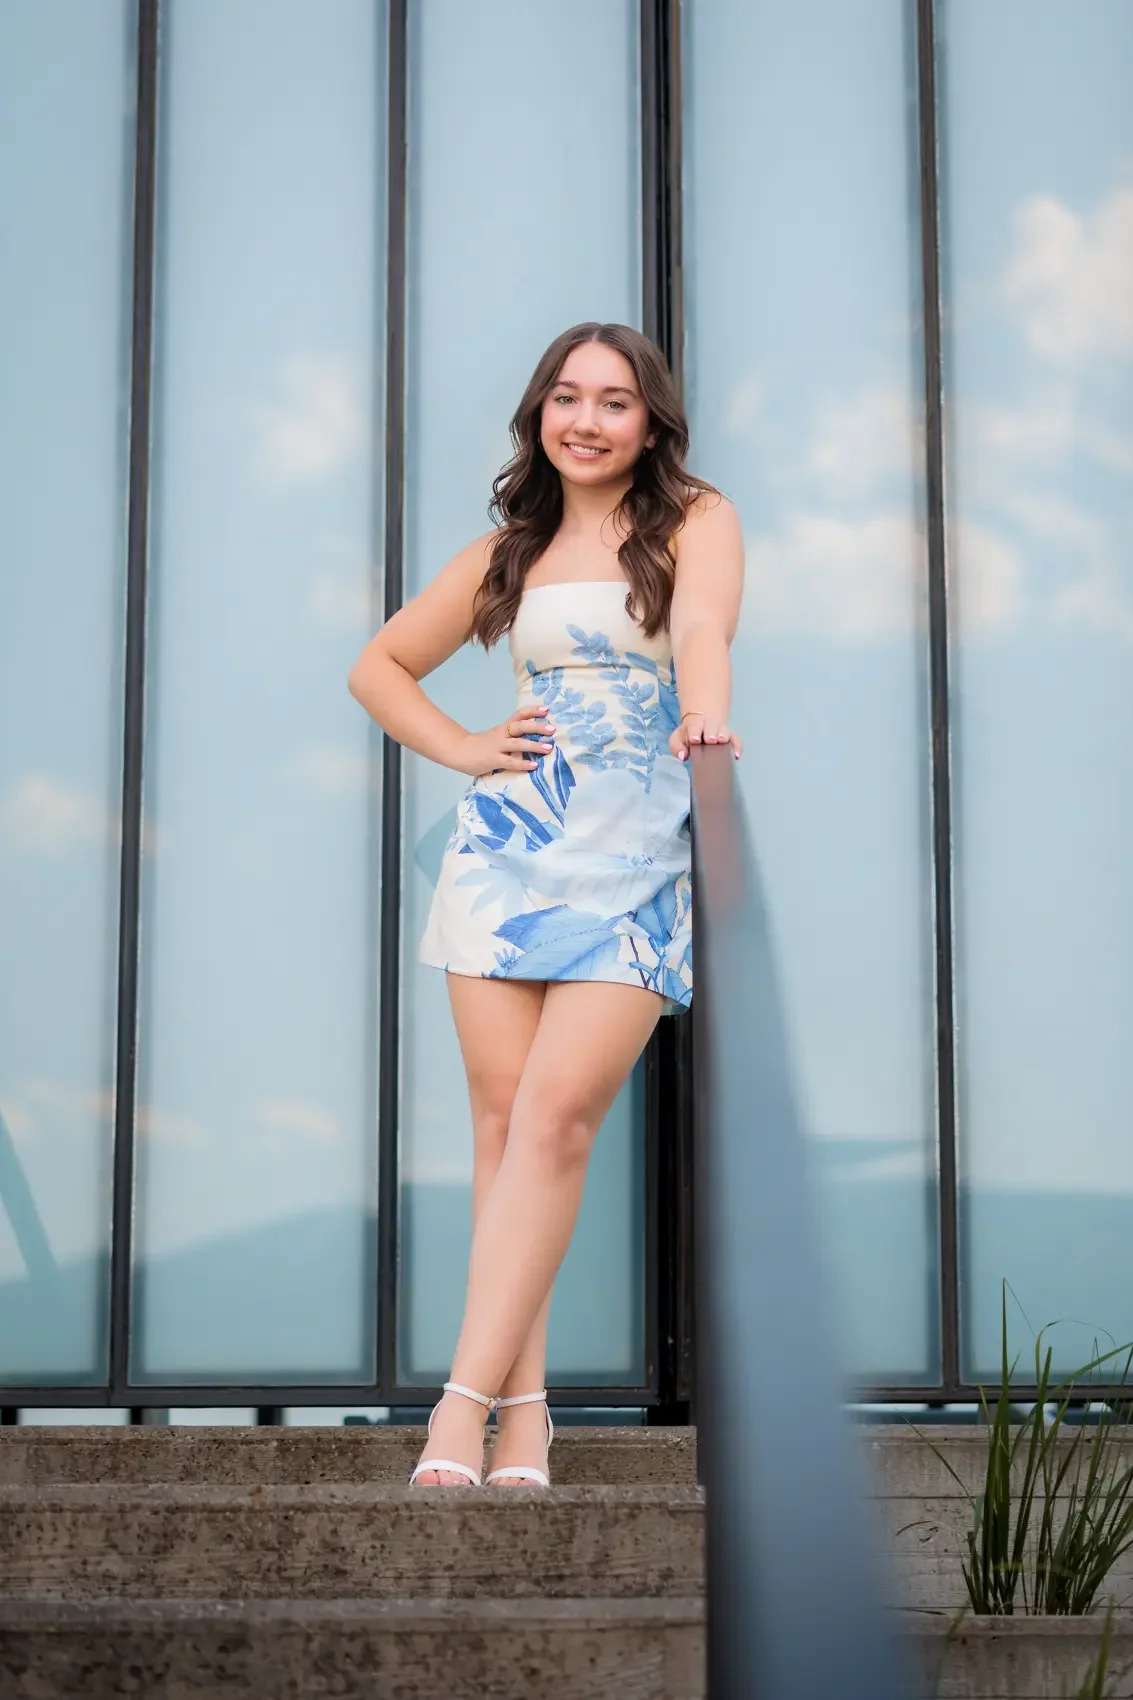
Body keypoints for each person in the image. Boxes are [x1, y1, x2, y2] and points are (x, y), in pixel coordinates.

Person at [348, 321, 743, 1487]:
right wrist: (467, 746)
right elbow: (377, 666)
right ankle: (522, 1414)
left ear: (650, 424)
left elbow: (702, 625)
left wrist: (704, 717)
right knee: (501, 1125)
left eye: (613, 401)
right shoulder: (505, 553)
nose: (586, 419)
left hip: (635, 852)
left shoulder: (694, 519)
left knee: (557, 1117)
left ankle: (455, 1405)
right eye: (566, 397)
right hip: (505, 855)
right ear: (538, 414)